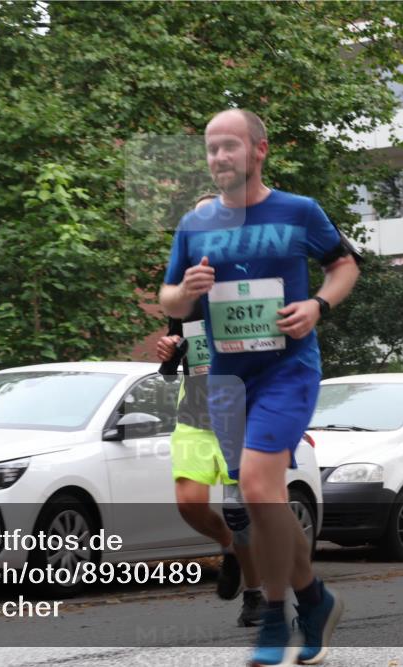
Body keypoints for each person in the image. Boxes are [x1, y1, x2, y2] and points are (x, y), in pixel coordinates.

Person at [159, 109, 361, 666]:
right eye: (211, 148)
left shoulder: (299, 211)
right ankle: (313, 600)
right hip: (226, 381)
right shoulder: (194, 224)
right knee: (261, 497)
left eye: (230, 146)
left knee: (254, 485)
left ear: (259, 150)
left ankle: (275, 616)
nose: (219, 157)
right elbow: (168, 299)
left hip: (286, 371)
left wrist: (318, 305)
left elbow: (345, 265)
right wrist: (187, 291)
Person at [157, 193, 265, 627]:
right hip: (197, 411)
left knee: (240, 512)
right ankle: (228, 547)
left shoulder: (252, 281)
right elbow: (174, 362)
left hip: (243, 413)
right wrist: (169, 353)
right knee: (189, 504)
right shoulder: (185, 295)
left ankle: (254, 595)